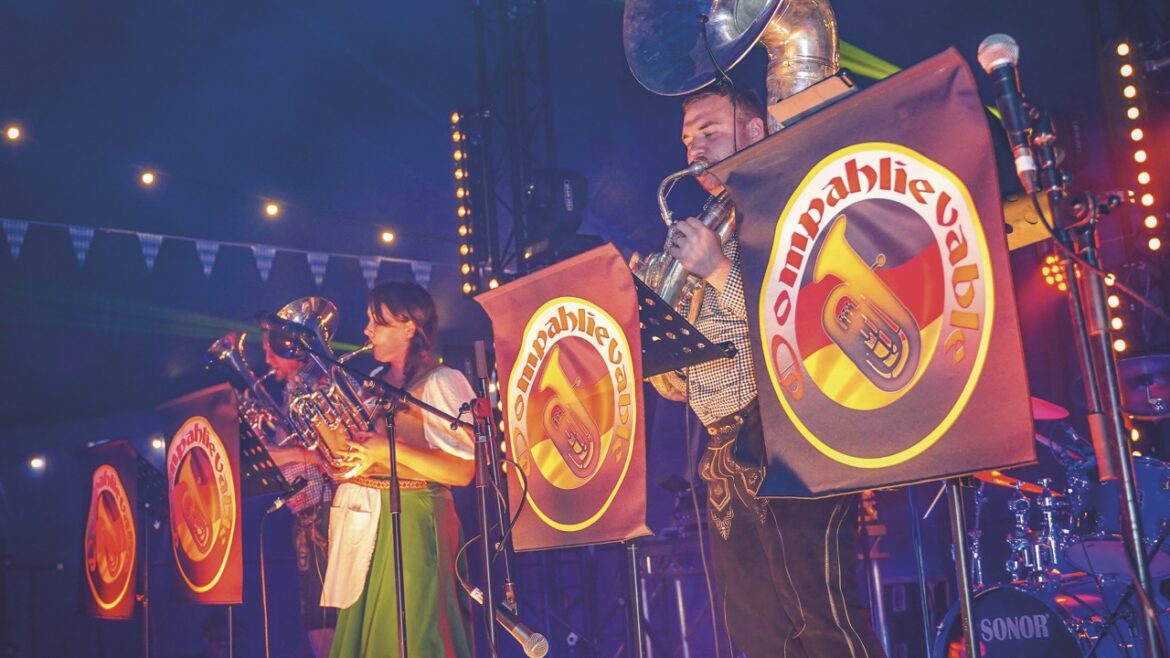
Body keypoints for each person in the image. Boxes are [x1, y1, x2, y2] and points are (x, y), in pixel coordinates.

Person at [643, 84, 888, 658]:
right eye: (686, 139)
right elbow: (677, 385)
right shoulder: (705, 224)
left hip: (788, 429)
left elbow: (810, 321)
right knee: (759, 631)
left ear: (754, 131)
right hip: (723, 445)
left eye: (708, 132)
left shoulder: (789, 203)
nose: (693, 149)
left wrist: (717, 270)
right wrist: (656, 326)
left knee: (822, 616)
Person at [321, 281, 475, 658]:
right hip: (367, 525)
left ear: (409, 328)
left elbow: (462, 471)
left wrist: (386, 450)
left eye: (378, 321)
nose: (367, 330)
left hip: (413, 522)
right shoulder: (372, 386)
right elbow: (364, 458)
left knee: (412, 633)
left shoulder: (441, 381)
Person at [260, 330, 338, 658]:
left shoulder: (315, 385)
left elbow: (326, 454)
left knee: (325, 618)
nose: (266, 360)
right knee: (314, 616)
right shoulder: (291, 391)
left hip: (323, 510)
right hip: (307, 513)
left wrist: (288, 453)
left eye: (271, 351)